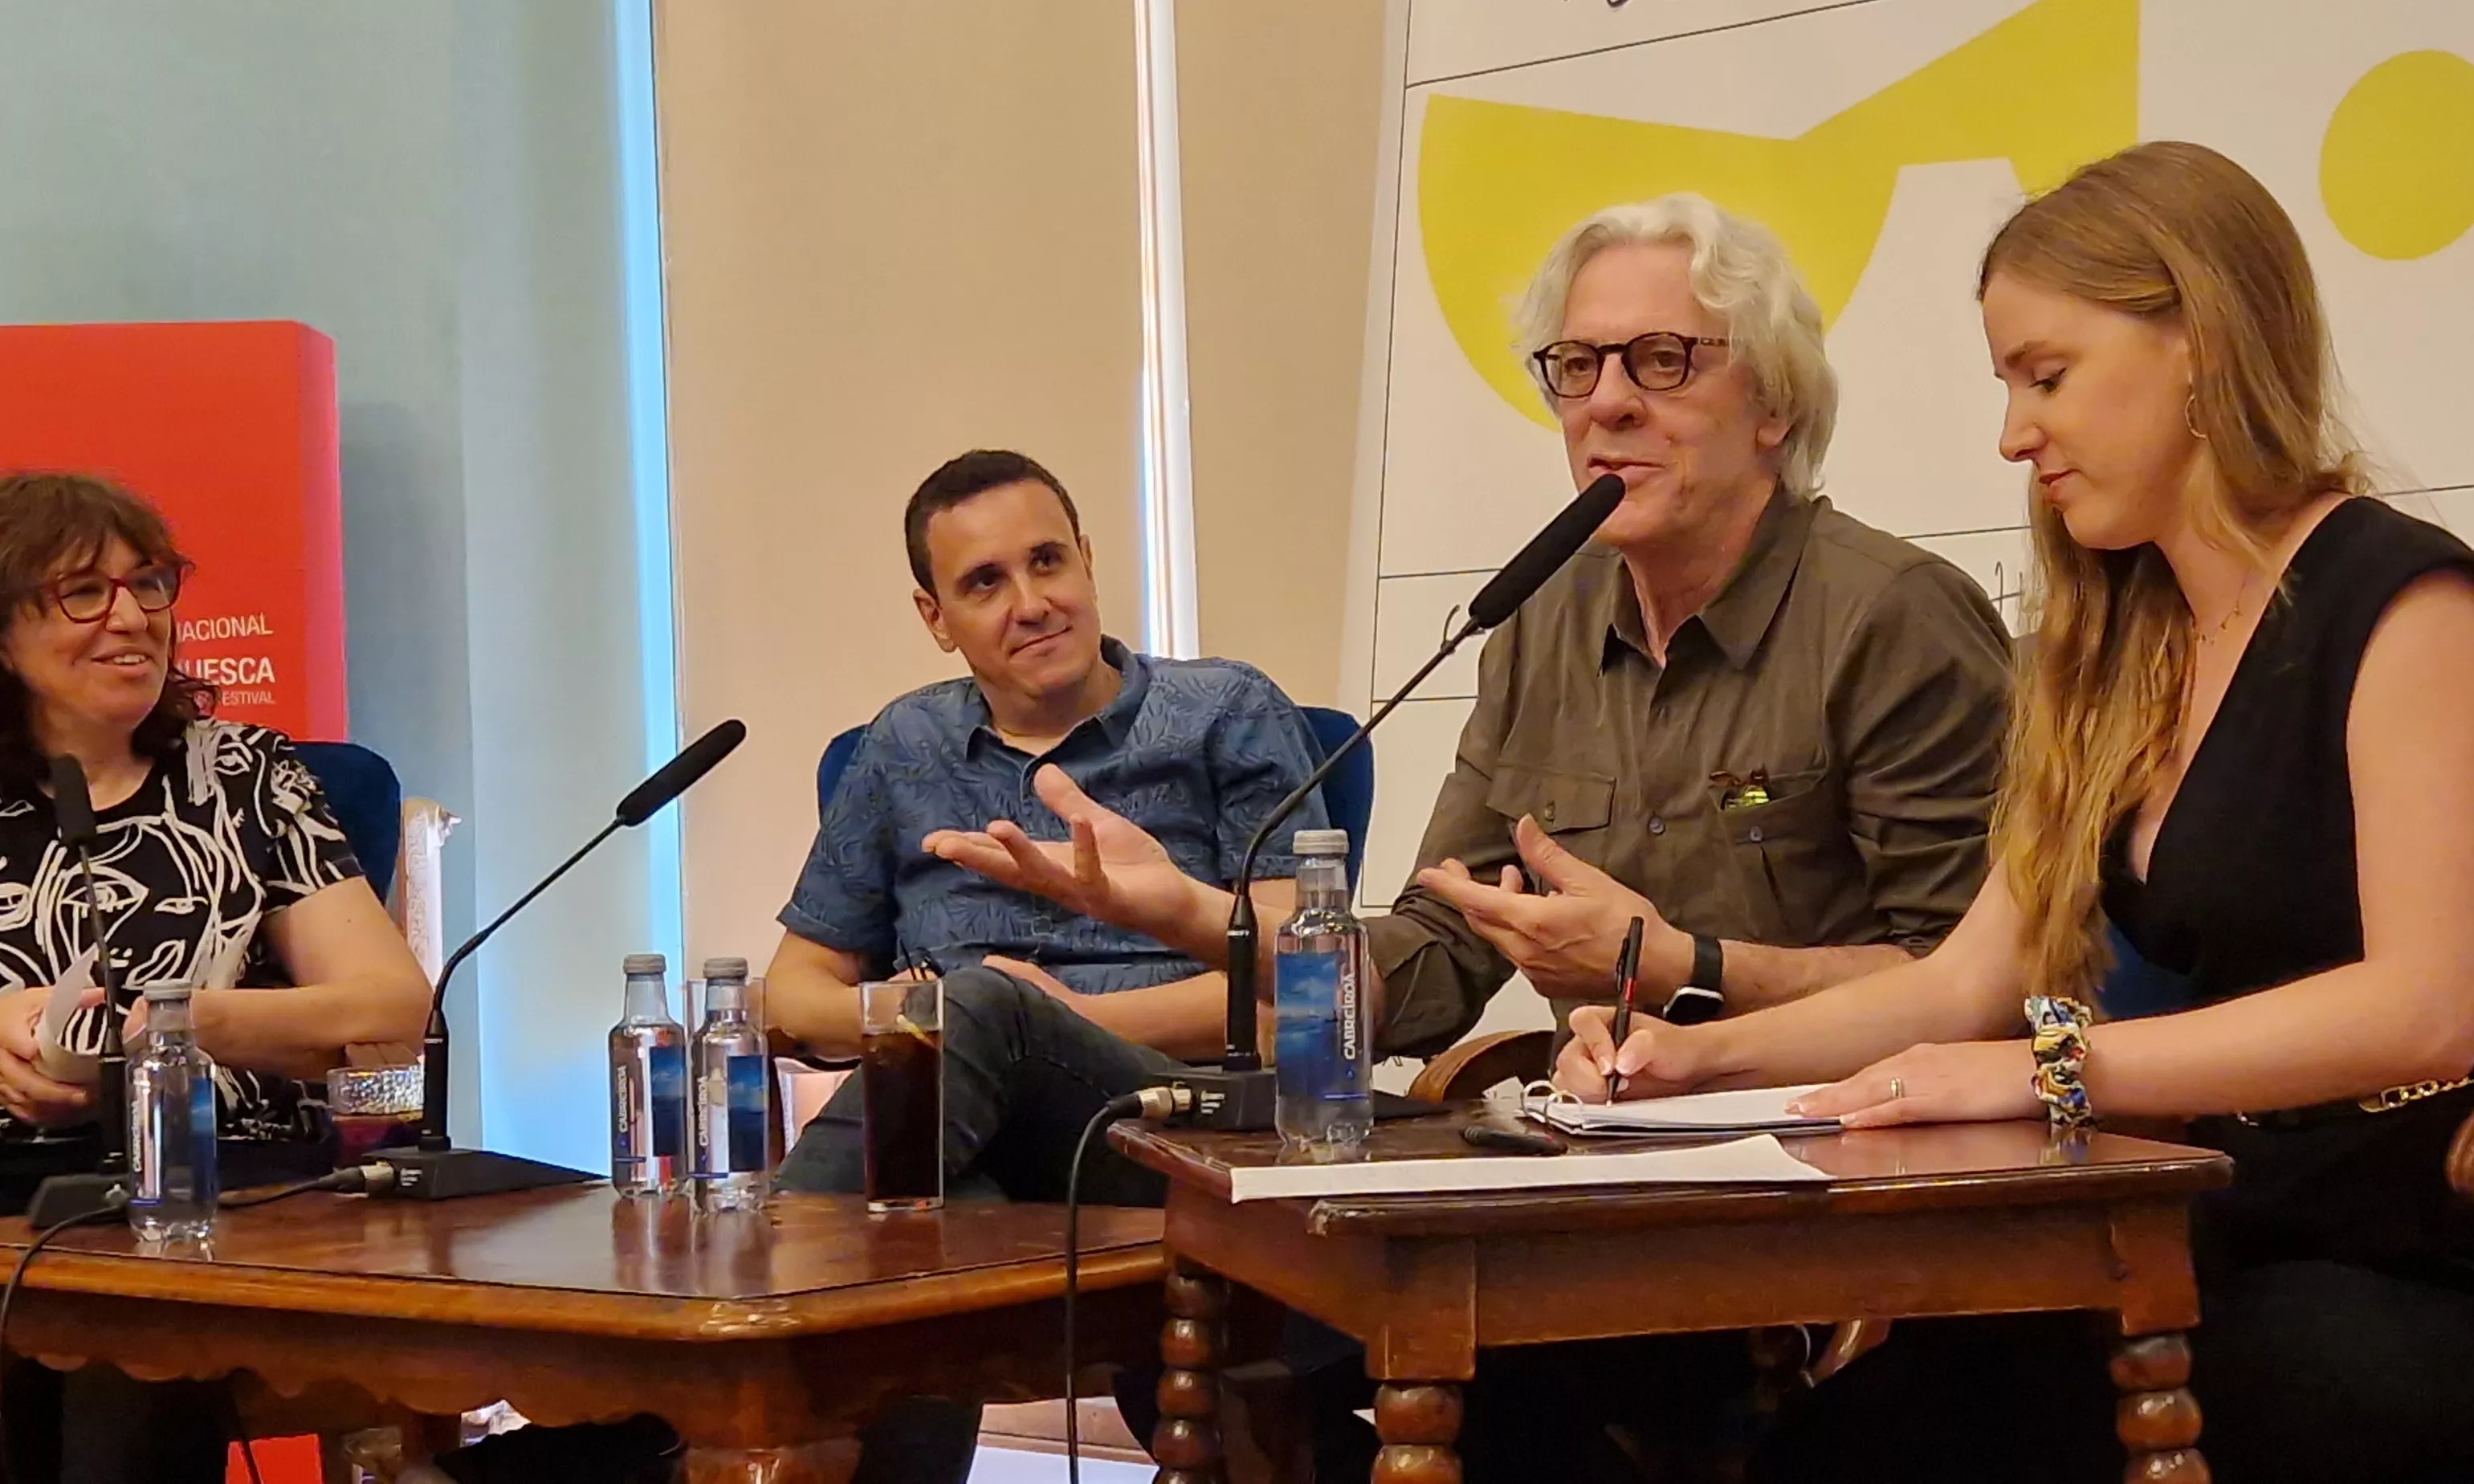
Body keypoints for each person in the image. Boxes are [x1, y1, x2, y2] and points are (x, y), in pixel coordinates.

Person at [1554, 142, 2474, 1484]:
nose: (2013, 434)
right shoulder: (2116, 641)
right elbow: (1969, 977)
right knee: (1835, 1448)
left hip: (2428, 1265)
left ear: (2201, 345)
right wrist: (1698, 1058)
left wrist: (2050, 1068)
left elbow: (2420, 1006)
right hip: (2208, 1239)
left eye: (2046, 377)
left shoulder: (2412, 607)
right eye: (2008, 383)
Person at [930, 196, 2015, 1478]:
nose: (1607, 403)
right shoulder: (1543, 626)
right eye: (1578, 366)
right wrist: (1186, 914)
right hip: (1576, 1175)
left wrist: (1683, 967)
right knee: (1104, 1151)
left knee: (1393, 1371)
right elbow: (1439, 959)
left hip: (1796, 1195)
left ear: (1772, 403)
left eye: (1661, 362)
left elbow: (1966, 994)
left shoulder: (1893, 619)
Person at [428, 448, 1332, 1484]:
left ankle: (661, 1416)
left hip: (1169, 1124)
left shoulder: (1221, 711)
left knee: (983, 1014)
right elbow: (796, 992)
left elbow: (1299, 1002)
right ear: (934, 616)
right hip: (963, 1130)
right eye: (984, 583)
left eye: (1047, 562)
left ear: (1089, 558)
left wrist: (1042, 1018)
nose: (1031, 602)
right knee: (930, 1215)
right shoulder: (908, 744)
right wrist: (933, 1020)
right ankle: (703, 1430)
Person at [0, 471, 431, 1484]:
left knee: (129, 1368)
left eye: (148, 585)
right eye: (81, 592)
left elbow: (389, 1011)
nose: (130, 617)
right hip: (10, 1193)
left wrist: (174, 1022)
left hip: (203, 1193)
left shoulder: (241, 777)